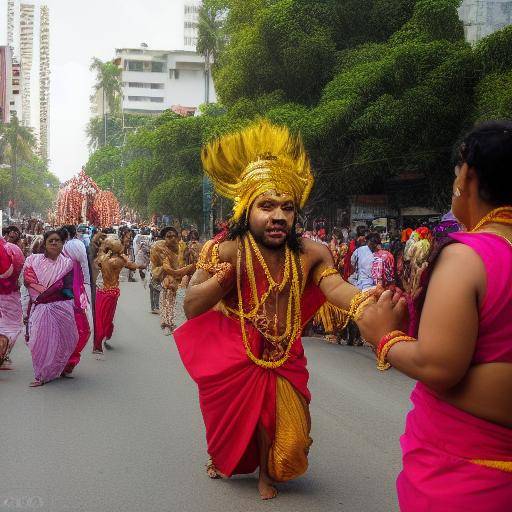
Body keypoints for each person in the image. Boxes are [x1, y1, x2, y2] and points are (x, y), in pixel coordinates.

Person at [174, 120, 375, 500]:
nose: (278, 216)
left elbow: (334, 286)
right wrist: (222, 279)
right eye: (266, 206)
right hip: (238, 352)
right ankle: (252, 468)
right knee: (234, 426)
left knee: (293, 447)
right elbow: (190, 306)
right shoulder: (224, 250)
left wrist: (367, 301)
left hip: (286, 353)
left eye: (287, 207)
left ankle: (271, 467)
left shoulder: (312, 253)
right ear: (246, 209)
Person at [358, 121, 512, 511]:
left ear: (469, 176)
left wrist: (384, 337)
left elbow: (440, 365)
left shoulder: (467, 256)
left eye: (456, 172)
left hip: (469, 473)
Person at [23, 230, 78, 387]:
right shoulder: (33, 260)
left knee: (66, 340)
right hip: (41, 306)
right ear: (45, 244)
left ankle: (56, 368)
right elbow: (29, 280)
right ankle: (41, 374)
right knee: (38, 342)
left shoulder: (67, 264)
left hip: (61, 306)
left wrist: (74, 302)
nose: (54, 243)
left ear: (62, 244)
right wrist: (44, 293)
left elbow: (68, 288)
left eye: (58, 240)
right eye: (51, 241)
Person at [93, 238, 143, 355]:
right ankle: (104, 336)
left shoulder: (103, 258)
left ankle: (98, 343)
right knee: (107, 317)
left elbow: (96, 265)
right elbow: (133, 266)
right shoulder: (119, 260)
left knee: (100, 318)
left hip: (102, 291)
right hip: (112, 292)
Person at [150, 227, 195, 335]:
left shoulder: (182, 247)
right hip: (166, 277)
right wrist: (187, 269)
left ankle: (168, 322)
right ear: (164, 238)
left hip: (177, 279)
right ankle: (167, 323)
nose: (172, 238)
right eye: (169, 237)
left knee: (172, 300)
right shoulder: (162, 251)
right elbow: (168, 269)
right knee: (168, 299)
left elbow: (187, 261)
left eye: (174, 236)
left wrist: (190, 257)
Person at [60, 226, 91, 375]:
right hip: (56, 300)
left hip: (73, 296)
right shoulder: (44, 258)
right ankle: (61, 362)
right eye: (51, 241)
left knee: (81, 330)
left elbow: (84, 266)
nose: (54, 244)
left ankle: (67, 361)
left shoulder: (75, 247)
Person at [0, 234, 25, 369]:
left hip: (8, 292)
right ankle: (2, 353)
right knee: (12, 325)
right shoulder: (12, 249)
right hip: (9, 294)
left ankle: (4, 357)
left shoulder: (10, 249)